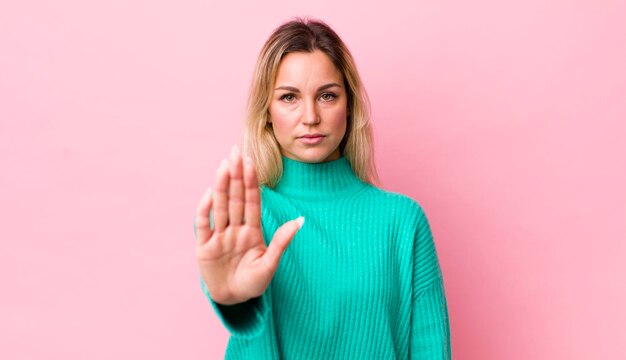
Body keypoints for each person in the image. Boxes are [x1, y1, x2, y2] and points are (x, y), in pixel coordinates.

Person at [194, 17, 452, 359]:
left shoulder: (402, 222)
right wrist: (234, 301)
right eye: (289, 97)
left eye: (327, 95)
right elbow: (239, 311)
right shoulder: (247, 216)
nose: (311, 116)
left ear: (349, 105)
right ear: (267, 111)